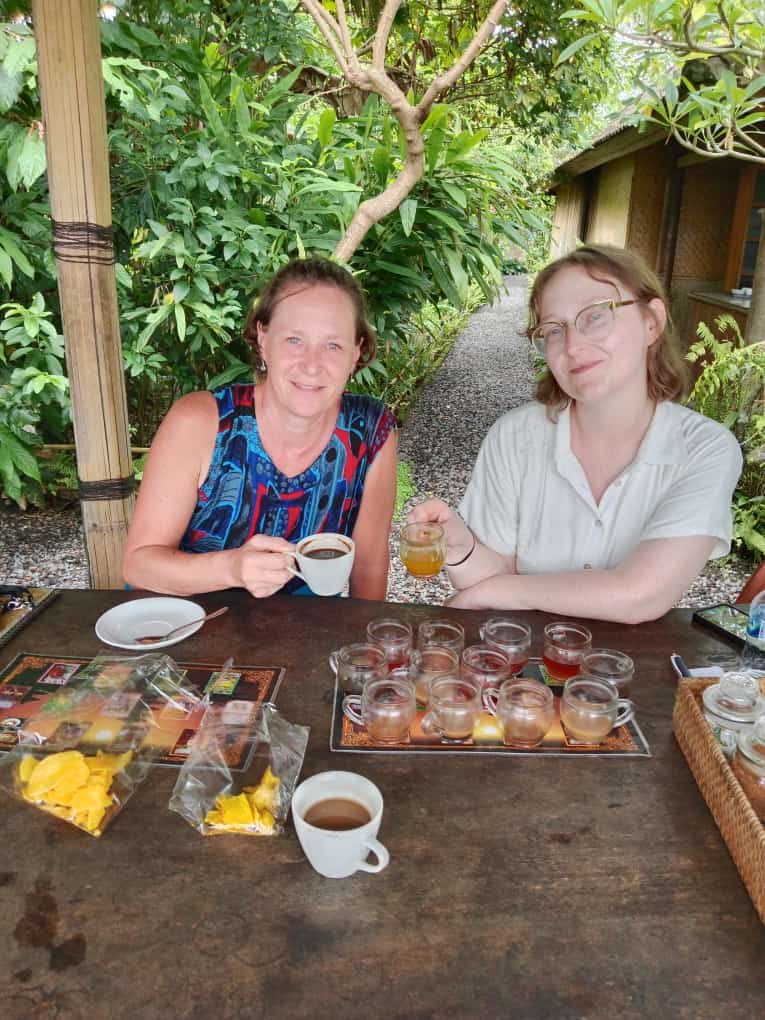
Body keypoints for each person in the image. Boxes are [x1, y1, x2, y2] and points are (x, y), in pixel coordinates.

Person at [408, 244, 742, 623]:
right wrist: (461, 547)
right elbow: (491, 578)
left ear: (652, 321)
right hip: (524, 654)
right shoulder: (515, 437)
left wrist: (499, 591)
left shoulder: (704, 449)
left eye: (595, 315)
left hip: (628, 658)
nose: (573, 346)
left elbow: (641, 595)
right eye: (554, 329)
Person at [123, 257, 397, 599]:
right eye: (294, 340)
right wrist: (231, 569)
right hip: (183, 621)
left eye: (333, 345)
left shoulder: (370, 431)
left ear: (356, 352)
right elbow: (139, 565)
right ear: (263, 338)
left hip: (302, 627)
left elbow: (368, 567)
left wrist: (366, 635)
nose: (312, 364)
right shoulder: (200, 422)